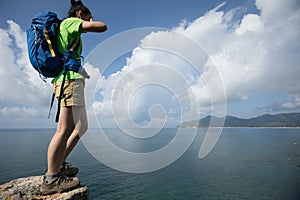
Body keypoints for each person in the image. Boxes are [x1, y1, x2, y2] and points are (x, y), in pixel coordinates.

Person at [41, 0, 107, 194]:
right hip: (68, 82)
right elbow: (102, 27)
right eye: (86, 16)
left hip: (72, 80)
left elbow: (68, 57)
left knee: (81, 127)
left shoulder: (71, 32)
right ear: (80, 14)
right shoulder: (70, 22)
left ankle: (58, 165)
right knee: (64, 129)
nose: (88, 20)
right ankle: (51, 179)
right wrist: (91, 21)